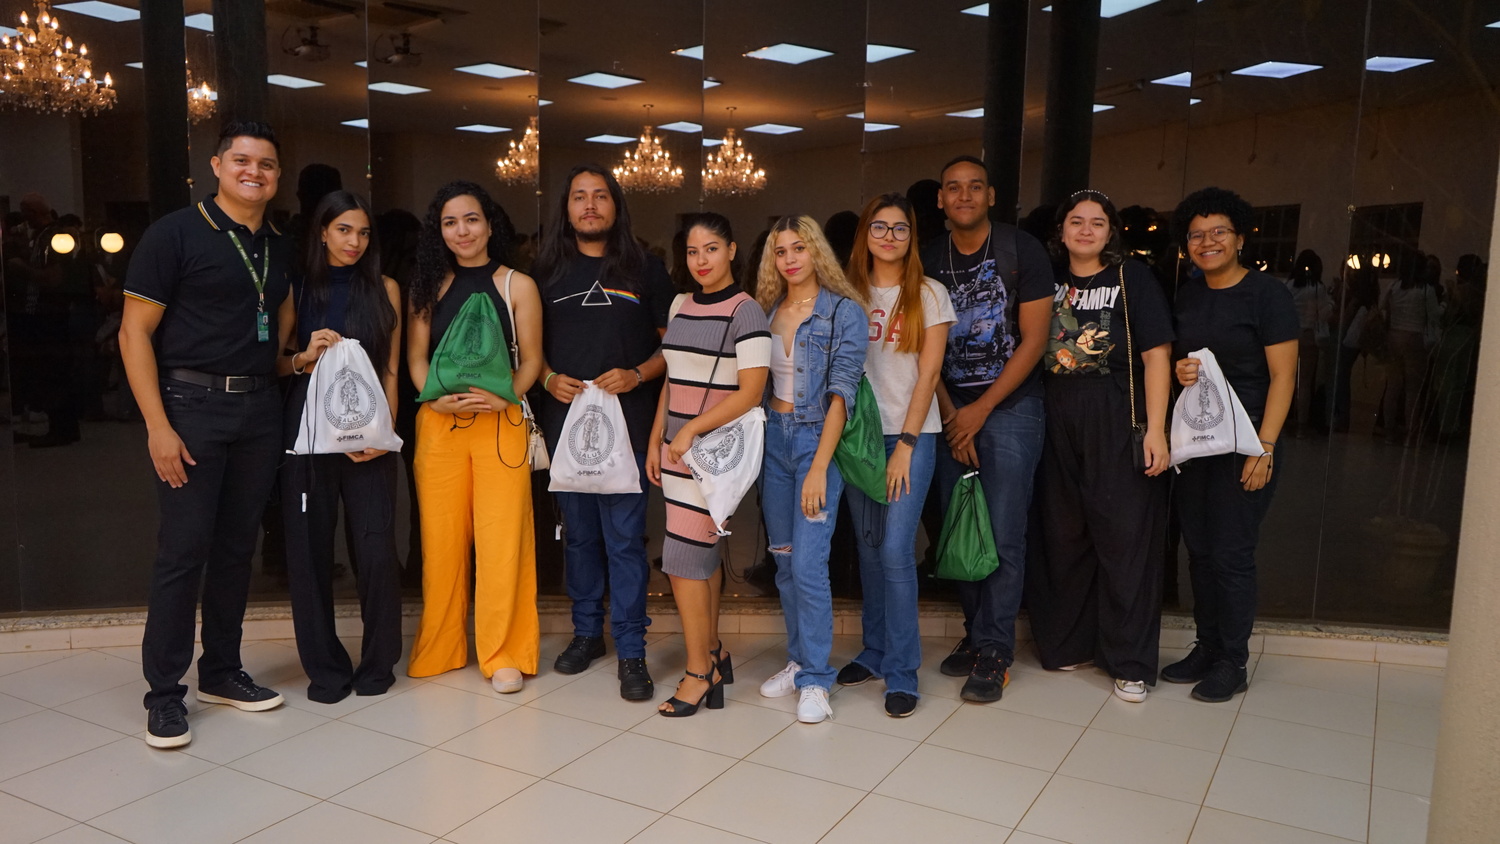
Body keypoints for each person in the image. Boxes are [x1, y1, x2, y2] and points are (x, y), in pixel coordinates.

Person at [119, 122, 295, 748]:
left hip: (259, 409)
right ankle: (164, 695)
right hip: (190, 407)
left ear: (277, 176)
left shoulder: (278, 243)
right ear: (217, 166)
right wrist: (157, 427)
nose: (254, 172)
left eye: (266, 164)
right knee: (183, 552)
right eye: (241, 160)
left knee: (235, 550)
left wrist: (292, 361)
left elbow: (277, 324)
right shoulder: (175, 234)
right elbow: (133, 333)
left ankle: (221, 671)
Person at [533, 164, 674, 701]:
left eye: (600, 196)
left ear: (616, 205)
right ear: (566, 207)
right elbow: (526, 347)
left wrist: (638, 374)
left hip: (630, 427)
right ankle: (588, 633)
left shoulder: (646, 268)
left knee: (625, 542)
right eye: (579, 196)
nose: (589, 205)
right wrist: (548, 378)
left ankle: (632, 648)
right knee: (580, 537)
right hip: (567, 427)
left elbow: (673, 347)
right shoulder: (544, 271)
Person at [1028, 190, 1174, 703]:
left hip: (1116, 414)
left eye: (1097, 222)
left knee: (1124, 539)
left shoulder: (1132, 278)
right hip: (1055, 414)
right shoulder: (1046, 279)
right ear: (1061, 230)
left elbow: (1157, 356)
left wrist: (1156, 429)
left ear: (1111, 232)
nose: (1086, 230)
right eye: (1076, 221)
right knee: (1063, 533)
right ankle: (1069, 643)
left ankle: (1129, 662)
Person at [920, 155, 1054, 703]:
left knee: (1002, 531)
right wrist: (952, 412)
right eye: (953, 188)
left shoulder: (1022, 250)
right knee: (960, 526)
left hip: (1011, 408)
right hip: (949, 408)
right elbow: (922, 345)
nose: (964, 195)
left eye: (975, 186)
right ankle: (976, 635)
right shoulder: (928, 258)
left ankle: (996, 649)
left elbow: (1035, 340)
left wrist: (980, 411)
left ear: (991, 195)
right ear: (941, 199)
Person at [405, 181, 542, 693]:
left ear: (489, 224)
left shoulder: (517, 285)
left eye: (471, 219)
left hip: (500, 425)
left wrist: (507, 397)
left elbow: (531, 360)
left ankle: (503, 653)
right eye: (450, 222)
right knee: (441, 542)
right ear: (438, 231)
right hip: (439, 425)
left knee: (503, 541)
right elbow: (416, 357)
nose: (461, 231)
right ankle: (441, 647)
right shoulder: (427, 285)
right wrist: (432, 398)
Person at [1164, 186, 1298, 703]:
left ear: (1240, 238)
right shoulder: (1188, 295)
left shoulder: (1268, 295)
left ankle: (1232, 661)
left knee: (1232, 554)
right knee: (1199, 551)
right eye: (1196, 235)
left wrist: (1265, 447)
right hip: (1200, 440)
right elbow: (1185, 365)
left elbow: (1284, 376)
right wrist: (1182, 370)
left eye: (1218, 231)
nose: (1207, 242)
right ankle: (1207, 647)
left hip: (1248, 443)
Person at [277, 190, 403, 703]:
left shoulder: (386, 288)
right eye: (344, 230)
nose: (355, 241)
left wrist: (383, 434)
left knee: (375, 550)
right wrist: (303, 355)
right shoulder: (298, 287)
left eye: (363, 232)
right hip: (308, 434)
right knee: (309, 552)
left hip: (369, 436)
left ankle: (378, 662)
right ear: (323, 232)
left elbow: (391, 370)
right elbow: (276, 362)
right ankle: (325, 669)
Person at [833, 194, 954, 718]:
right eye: (879, 227)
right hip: (857, 437)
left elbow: (929, 374)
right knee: (869, 547)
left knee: (897, 551)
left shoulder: (929, 294)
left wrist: (905, 443)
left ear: (912, 237)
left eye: (900, 228)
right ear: (865, 234)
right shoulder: (844, 294)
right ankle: (875, 650)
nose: (889, 236)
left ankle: (902, 672)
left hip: (911, 436)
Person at [646, 213, 770, 717]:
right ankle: (714, 652)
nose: (701, 260)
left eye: (712, 249)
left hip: (711, 457)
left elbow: (752, 391)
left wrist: (690, 431)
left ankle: (700, 673)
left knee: (681, 562)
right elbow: (673, 379)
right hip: (675, 451)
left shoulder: (747, 312)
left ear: (732, 250)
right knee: (699, 559)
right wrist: (657, 437)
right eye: (693, 252)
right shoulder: (680, 304)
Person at [754, 215, 867, 724]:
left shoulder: (844, 312)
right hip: (773, 443)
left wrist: (820, 466)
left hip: (816, 443)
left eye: (799, 248)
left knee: (808, 565)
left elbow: (842, 392)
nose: (790, 259)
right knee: (784, 562)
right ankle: (799, 661)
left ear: (816, 251)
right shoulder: (766, 311)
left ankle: (818, 678)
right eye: (781, 251)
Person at [1379, 253, 1442, 445]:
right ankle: (1411, 434)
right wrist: (1445, 305)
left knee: (1393, 387)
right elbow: (1435, 316)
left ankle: (1388, 431)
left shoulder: (1394, 287)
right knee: (1413, 391)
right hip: (1415, 339)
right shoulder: (1426, 290)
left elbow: (1382, 307)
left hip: (1393, 336)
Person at [1283, 249, 1332, 434]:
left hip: (1289, 335)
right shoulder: (1318, 288)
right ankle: (1301, 425)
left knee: (1287, 380)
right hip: (1309, 335)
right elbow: (1324, 313)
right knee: (1304, 382)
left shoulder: (1289, 285)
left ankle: (1284, 420)